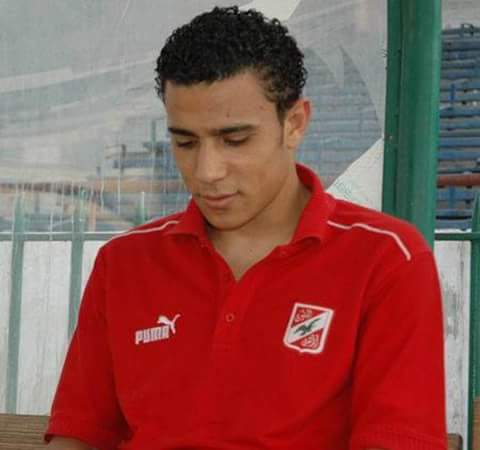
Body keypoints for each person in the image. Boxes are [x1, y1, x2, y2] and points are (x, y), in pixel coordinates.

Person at [45, 6, 447, 450]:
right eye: (185, 142)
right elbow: (79, 435)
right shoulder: (124, 264)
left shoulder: (386, 260)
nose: (207, 171)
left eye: (234, 140)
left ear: (294, 124)